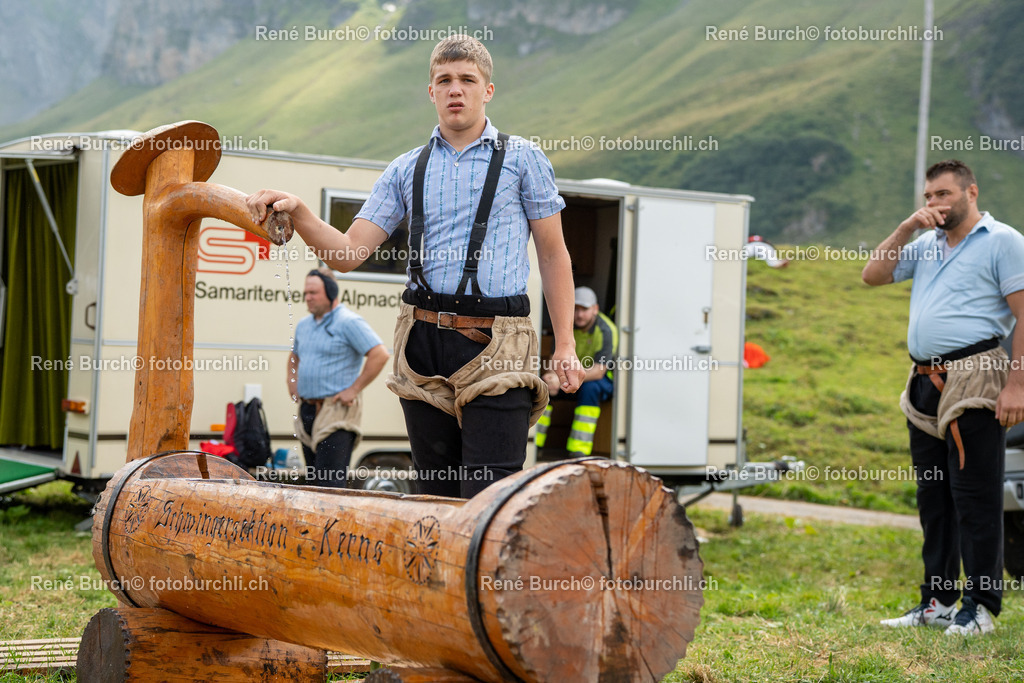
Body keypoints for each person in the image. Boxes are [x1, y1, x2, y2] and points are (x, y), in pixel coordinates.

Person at [249, 35, 583, 498]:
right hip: (421, 338)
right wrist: (302, 212)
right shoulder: (407, 168)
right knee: (433, 495)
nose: (455, 90)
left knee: (489, 496)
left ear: (488, 90)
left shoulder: (524, 159)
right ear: (431, 92)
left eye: (468, 79)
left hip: (499, 340)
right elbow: (347, 255)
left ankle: (487, 573)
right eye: (444, 80)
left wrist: (564, 343)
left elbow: (553, 252)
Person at [862, 159, 1024, 636]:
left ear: (971, 192)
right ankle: (937, 600)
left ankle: (980, 608)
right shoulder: (926, 243)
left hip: (977, 377)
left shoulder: (1003, 241)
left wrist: (1018, 385)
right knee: (934, 495)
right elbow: (872, 274)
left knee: (974, 493)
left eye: (944, 194)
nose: (934, 203)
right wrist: (906, 225)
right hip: (924, 381)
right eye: (929, 196)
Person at [289, 268, 389, 487]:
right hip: (307, 410)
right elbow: (294, 357)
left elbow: (380, 354)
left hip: (336, 411)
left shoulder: (348, 322)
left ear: (332, 292)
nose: (308, 298)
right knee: (315, 481)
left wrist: (354, 389)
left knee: (330, 483)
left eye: (313, 293)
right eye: (306, 293)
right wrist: (293, 383)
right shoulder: (304, 325)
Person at [536, 286, 617, 457]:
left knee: (590, 388)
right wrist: (552, 377)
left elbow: (598, 371)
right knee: (543, 386)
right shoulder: (564, 327)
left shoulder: (606, 330)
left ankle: (579, 451)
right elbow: (554, 360)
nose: (579, 315)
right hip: (567, 377)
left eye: (585, 309)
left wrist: (563, 378)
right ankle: (535, 446)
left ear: (595, 309)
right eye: (576, 309)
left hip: (599, 381)